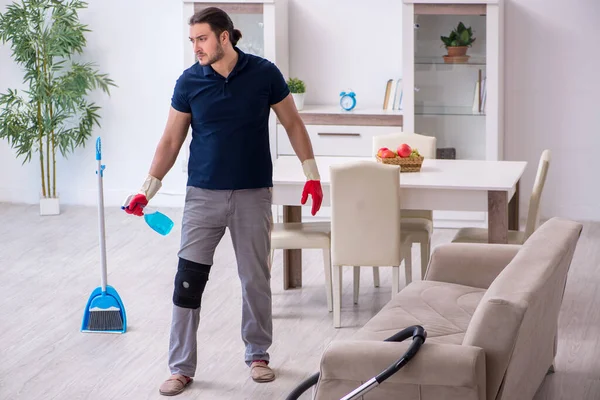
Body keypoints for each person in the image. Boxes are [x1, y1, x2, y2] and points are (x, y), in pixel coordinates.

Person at [123, 6, 323, 397]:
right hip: (202, 197)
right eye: (192, 40)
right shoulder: (190, 82)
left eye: (202, 39)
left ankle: (258, 355)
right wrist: (147, 188)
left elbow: (293, 123)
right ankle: (180, 368)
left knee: (255, 279)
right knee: (187, 282)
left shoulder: (264, 74)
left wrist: (312, 175)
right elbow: (170, 140)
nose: (196, 47)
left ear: (224, 37)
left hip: (252, 194)